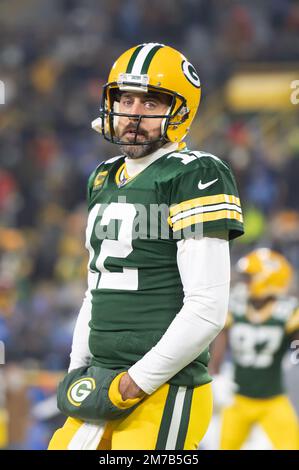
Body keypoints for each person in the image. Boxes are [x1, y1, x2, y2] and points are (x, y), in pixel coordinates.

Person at [48, 42, 244, 450]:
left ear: (179, 112)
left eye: (151, 103)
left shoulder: (196, 173)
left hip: (162, 390)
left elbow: (207, 306)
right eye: (127, 98)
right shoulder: (102, 177)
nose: (134, 114)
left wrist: (136, 382)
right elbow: (96, 287)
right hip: (100, 381)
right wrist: (78, 368)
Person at [209, 248, 299, 450]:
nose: (245, 283)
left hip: (273, 400)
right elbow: (222, 336)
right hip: (238, 399)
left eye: (250, 278)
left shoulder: (287, 310)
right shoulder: (237, 304)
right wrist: (216, 374)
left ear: (266, 279)